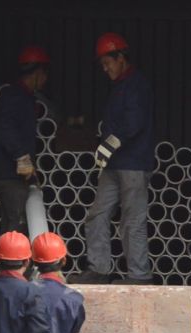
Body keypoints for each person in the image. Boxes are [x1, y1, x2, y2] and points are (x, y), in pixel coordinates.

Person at [70, 33, 156, 285]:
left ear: (121, 58)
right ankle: (99, 269)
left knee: (132, 220)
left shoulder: (137, 84)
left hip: (134, 164)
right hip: (114, 164)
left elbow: (134, 122)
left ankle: (139, 275)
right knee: (97, 214)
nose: (105, 68)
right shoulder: (120, 88)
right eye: (102, 64)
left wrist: (111, 142)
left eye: (107, 62)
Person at [0, 45, 50, 234]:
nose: (46, 80)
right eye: (45, 75)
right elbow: (6, 130)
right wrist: (21, 157)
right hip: (10, 175)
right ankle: (14, 264)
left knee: (12, 226)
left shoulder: (27, 98)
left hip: (15, 174)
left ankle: (9, 263)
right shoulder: (13, 96)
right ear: (37, 73)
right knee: (18, 224)